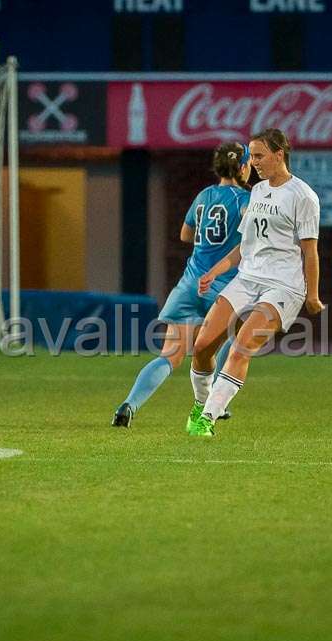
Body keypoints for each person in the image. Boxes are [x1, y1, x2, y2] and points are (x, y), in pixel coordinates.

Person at [186, 128, 324, 437]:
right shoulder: (258, 192)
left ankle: (207, 419)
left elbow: (310, 251)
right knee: (202, 346)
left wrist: (312, 295)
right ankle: (199, 405)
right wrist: (216, 270)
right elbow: (244, 245)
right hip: (247, 278)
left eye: (259, 156)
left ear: (279, 155)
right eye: (252, 156)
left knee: (241, 347)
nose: (253, 162)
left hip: (283, 286)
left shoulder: (303, 196)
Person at [112, 142, 252, 428]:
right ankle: (216, 404)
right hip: (223, 287)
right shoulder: (245, 200)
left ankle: (129, 404)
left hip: (190, 284)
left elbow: (186, 235)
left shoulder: (203, 196)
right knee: (240, 337)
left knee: (170, 355)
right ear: (242, 167)